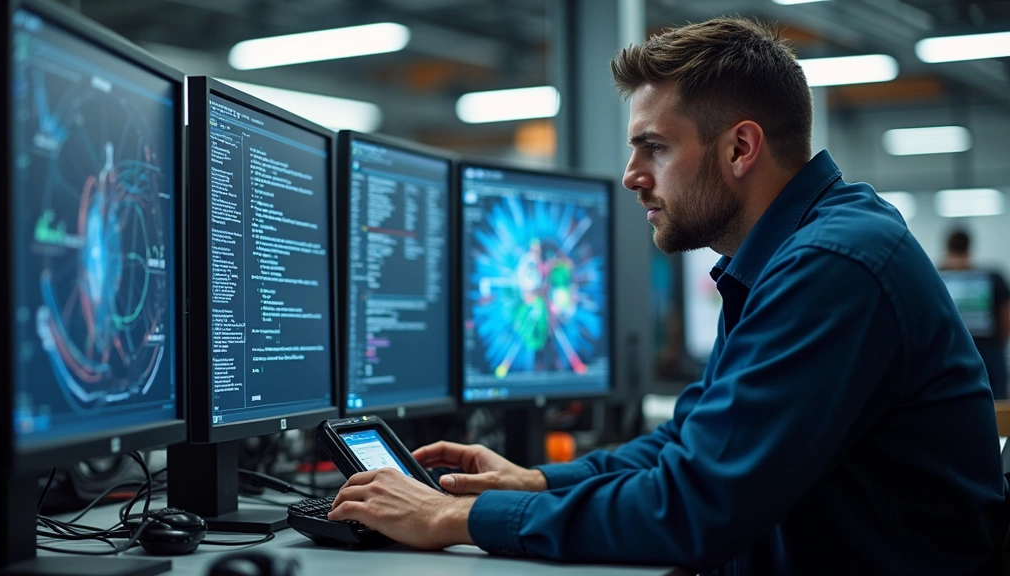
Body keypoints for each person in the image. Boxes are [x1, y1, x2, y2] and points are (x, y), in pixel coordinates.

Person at [328, 17, 1008, 574]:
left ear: (740, 148)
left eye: (653, 147)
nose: (631, 176)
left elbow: (693, 506)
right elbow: (691, 443)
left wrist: (457, 516)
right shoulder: (788, 255)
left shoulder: (831, 267)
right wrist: (534, 482)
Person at [938, 228, 1010, 399]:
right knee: (996, 403)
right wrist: (999, 344)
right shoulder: (992, 277)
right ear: (969, 248)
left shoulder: (936, 277)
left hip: (951, 352)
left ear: (947, 248)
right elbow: (1006, 314)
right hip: (989, 351)